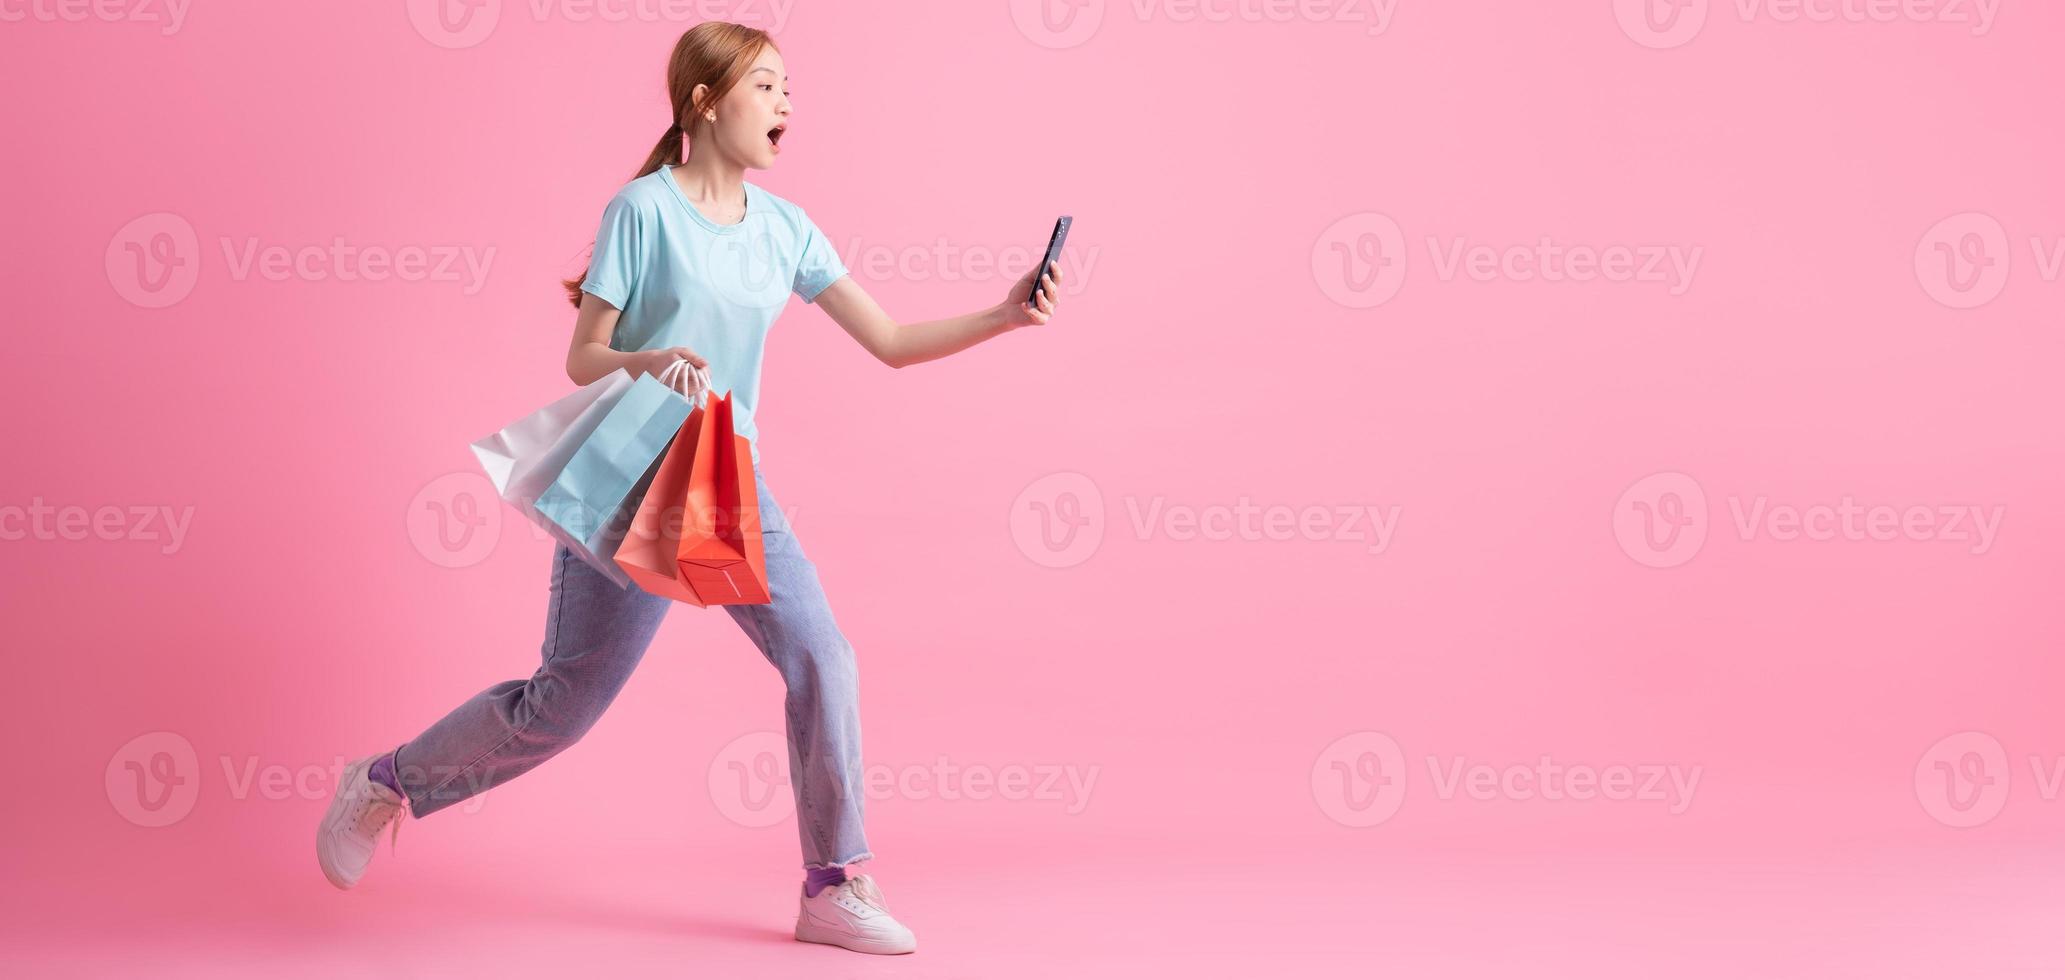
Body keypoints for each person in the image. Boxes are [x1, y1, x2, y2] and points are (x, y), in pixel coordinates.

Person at [314, 20, 1065, 956]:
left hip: (729, 479)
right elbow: (583, 353)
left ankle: (833, 883)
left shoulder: (788, 229)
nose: (787, 103)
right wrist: (651, 358)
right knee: (562, 709)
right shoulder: (642, 210)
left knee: (822, 656)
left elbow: (893, 344)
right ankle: (386, 781)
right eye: (765, 86)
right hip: (632, 473)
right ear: (703, 103)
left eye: (790, 88)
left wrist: (1004, 312)